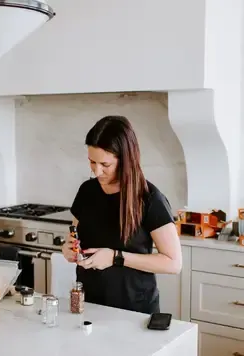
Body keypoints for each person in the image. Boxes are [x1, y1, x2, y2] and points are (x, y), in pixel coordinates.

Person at [61, 115, 182, 314]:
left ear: (125, 160)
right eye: (92, 162)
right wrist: (68, 249)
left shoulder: (150, 199)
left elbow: (173, 263)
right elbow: (74, 237)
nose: (96, 171)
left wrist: (116, 258)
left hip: (134, 310)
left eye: (105, 165)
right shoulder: (87, 191)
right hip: (89, 305)